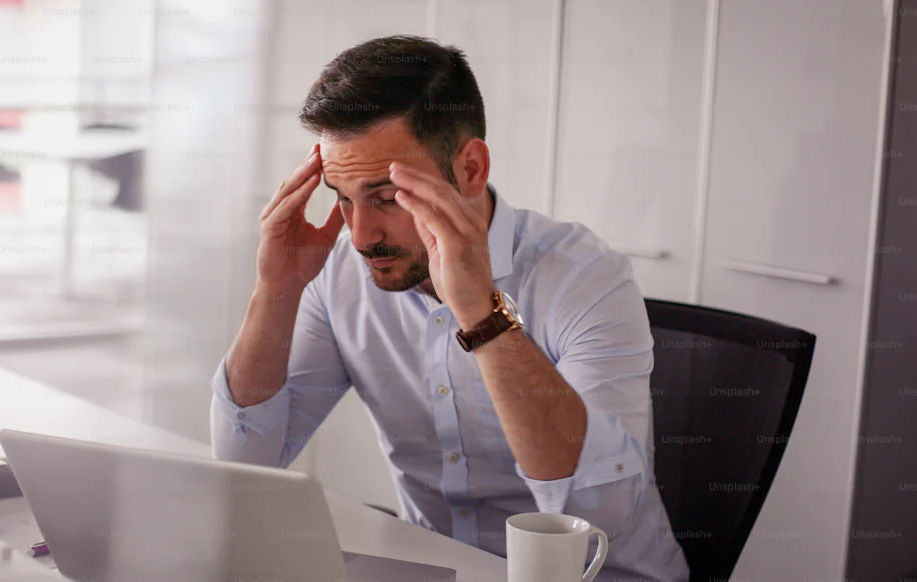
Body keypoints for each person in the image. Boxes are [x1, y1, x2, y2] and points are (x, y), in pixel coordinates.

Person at [210, 35, 688, 580]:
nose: (361, 235)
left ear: (470, 168)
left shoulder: (586, 278)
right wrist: (276, 289)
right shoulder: (340, 270)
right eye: (343, 197)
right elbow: (244, 468)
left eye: (387, 198)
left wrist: (480, 314)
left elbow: (597, 517)